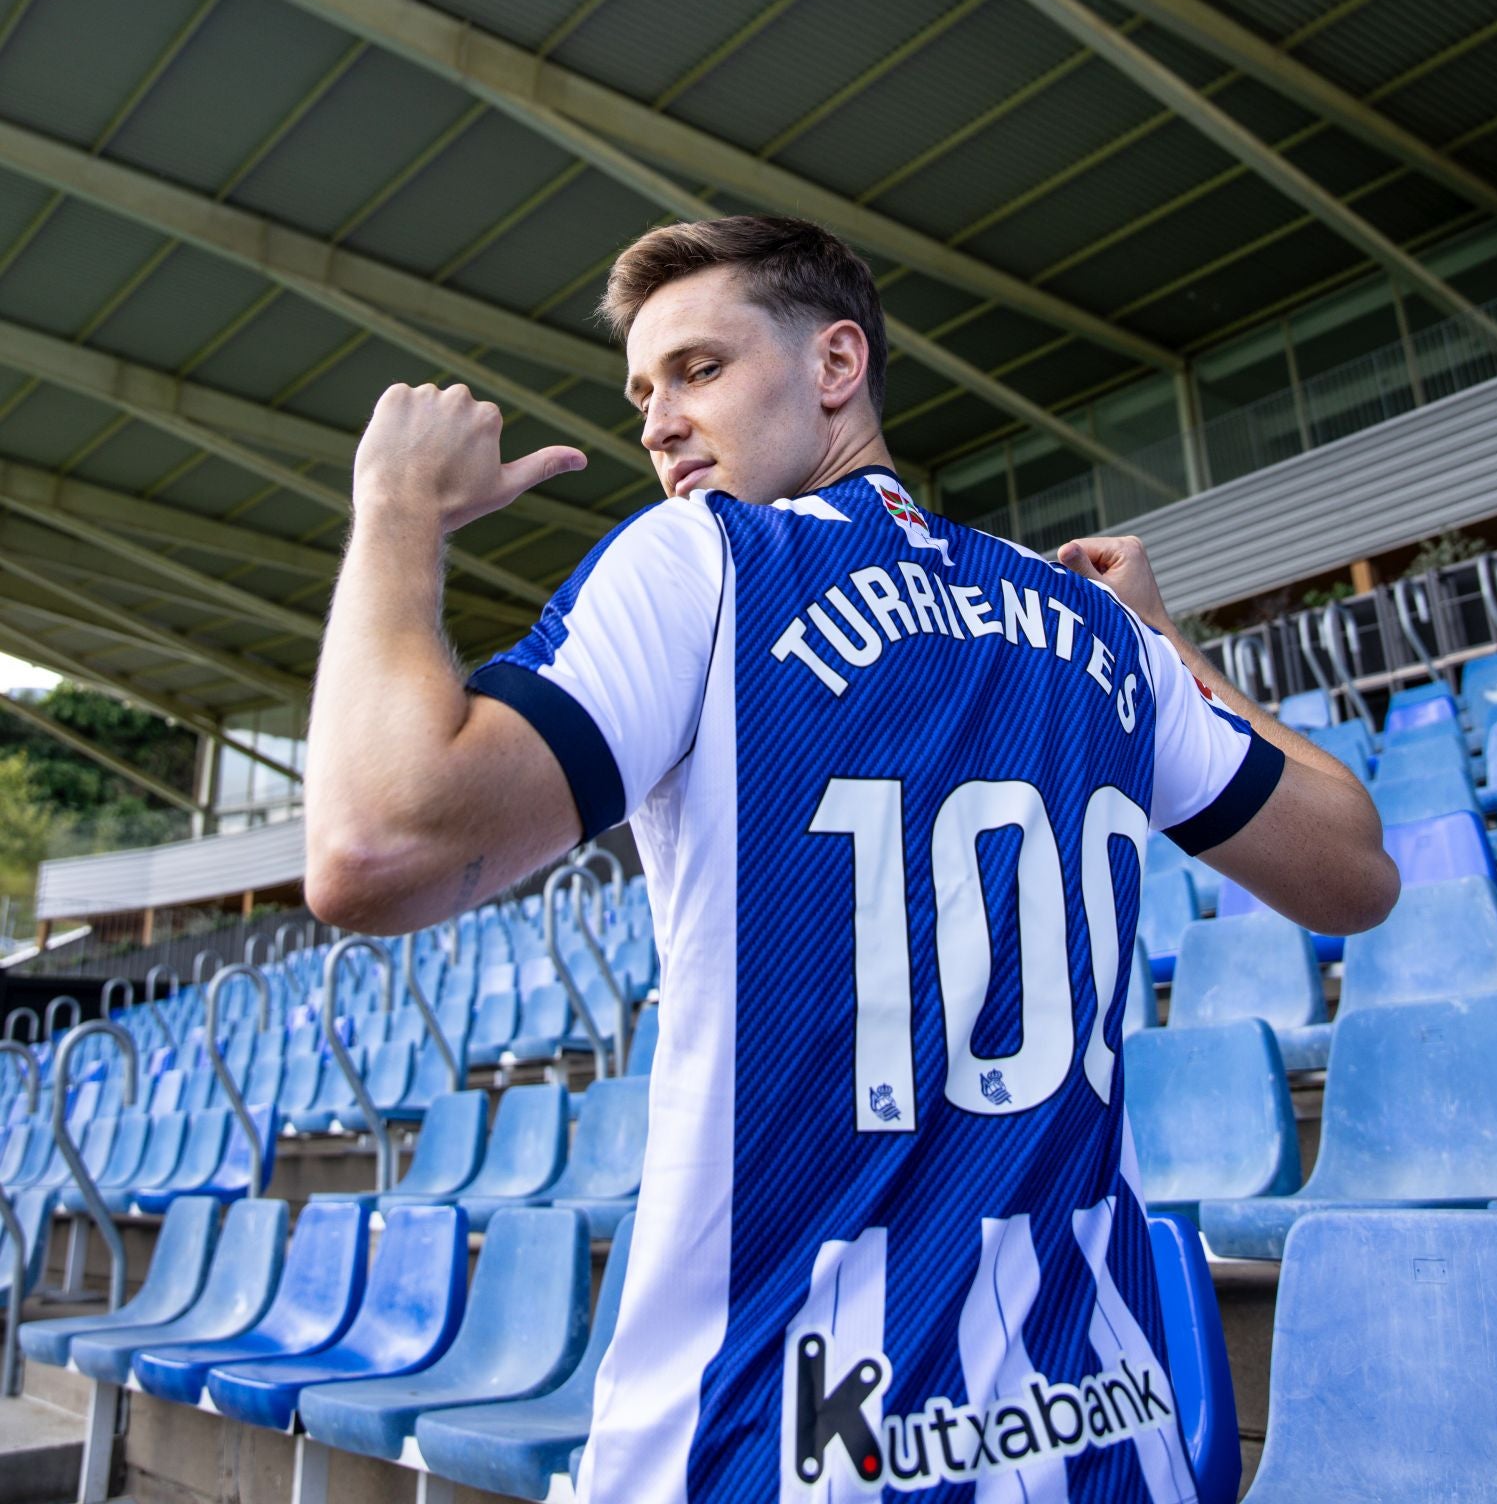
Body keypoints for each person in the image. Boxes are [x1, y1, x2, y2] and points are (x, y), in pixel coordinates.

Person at [306, 214, 1397, 1502]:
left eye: (700, 369)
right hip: (1104, 1441)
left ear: (836, 365)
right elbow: (1352, 870)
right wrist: (1164, 639)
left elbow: (375, 847)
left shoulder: (707, 563)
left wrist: (397, 512)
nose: (658, 423)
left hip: (786, 1447)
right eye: (643, 394)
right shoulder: (1095, 630)